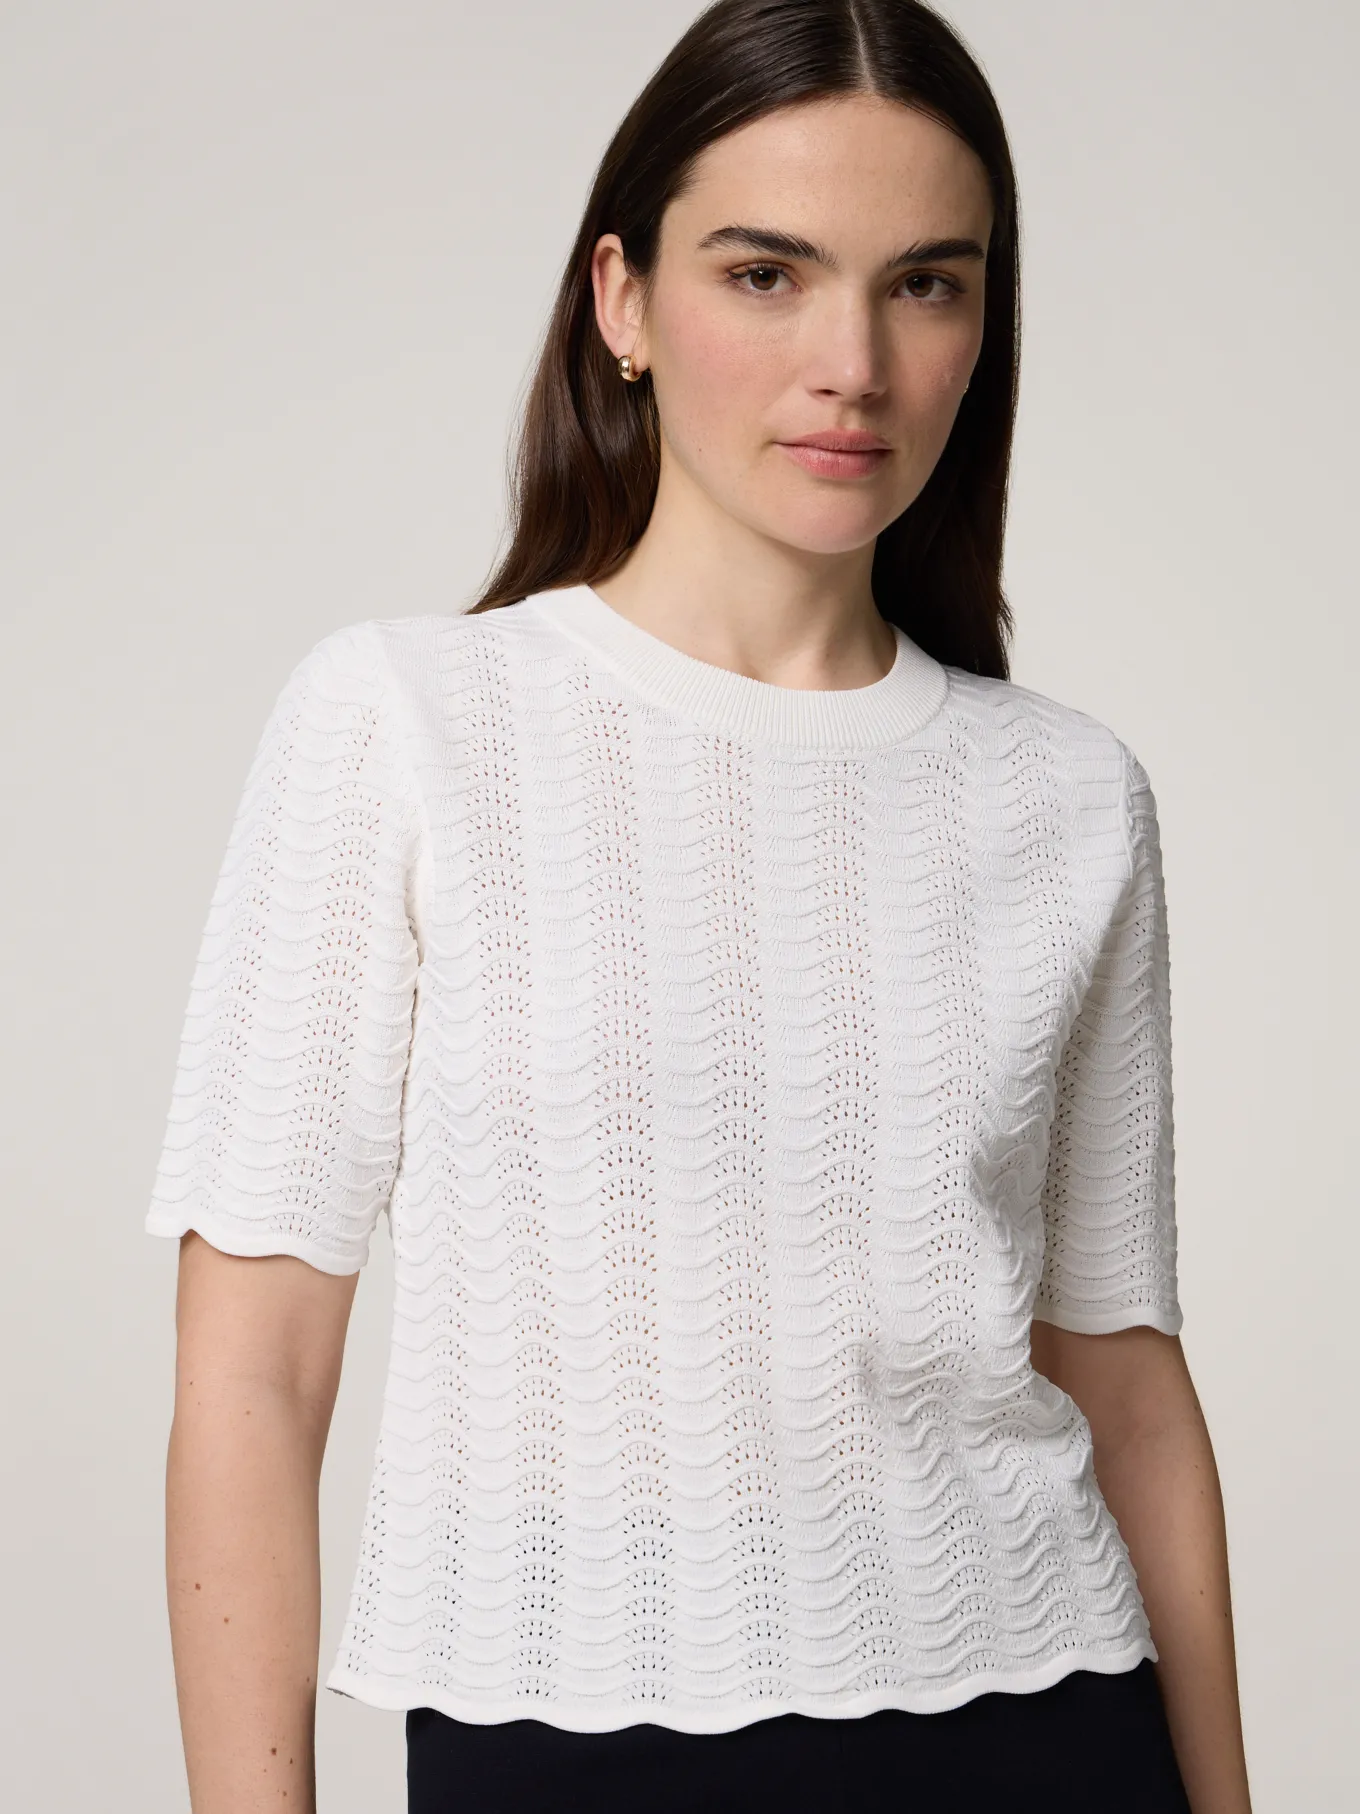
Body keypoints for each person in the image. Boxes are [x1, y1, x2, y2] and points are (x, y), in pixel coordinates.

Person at [146, 2, 1254, 1809]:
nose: (853, 364)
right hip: (563, 1741)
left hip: (1049, 1715)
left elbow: (1125, 1379)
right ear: (625, 301)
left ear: (984, 327)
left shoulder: (1069, 795)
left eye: (925, 284)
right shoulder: (407, 723)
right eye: (766, 274)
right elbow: (251, 1376)